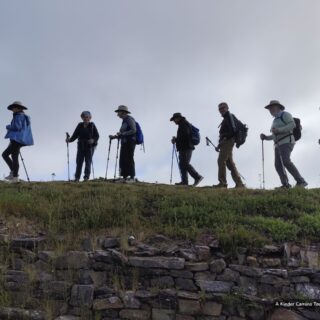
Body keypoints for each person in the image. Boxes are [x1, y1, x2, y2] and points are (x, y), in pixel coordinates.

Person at [260, 100, 307, 189]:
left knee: (285, 161)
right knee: (278, 165)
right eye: (269, 108)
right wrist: (266, 137)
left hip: (287, 142)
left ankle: (301, 181)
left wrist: (279, 130)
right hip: (278, 144)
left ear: (278, 107)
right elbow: (275, 135)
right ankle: (285, 185)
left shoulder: (285, 115)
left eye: (272, 107)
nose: (270, 110)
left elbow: (292, 125)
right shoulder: (275, 120)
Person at [212, 102, 245, 189]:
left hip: (228, 141)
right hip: (226, 142)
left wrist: (224, 140)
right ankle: (239, 184)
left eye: (223, 108)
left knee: (221, 160)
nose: (221, 110)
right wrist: (220, 145)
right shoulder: (226, 118)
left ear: (227, 108)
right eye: (220, 109)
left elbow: (232, 130)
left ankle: (222, 183)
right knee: (229, 163)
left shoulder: (229, 116)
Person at [2, 101, 34, 182]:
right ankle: (14, 175)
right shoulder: (24, 116)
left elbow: (17, 127)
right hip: (20, 140)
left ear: (18, 108)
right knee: (10, 155)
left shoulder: (18, 116)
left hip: (17, 140)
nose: (13, 109)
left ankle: (15, 176)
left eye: (14, 107)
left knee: (9, 155)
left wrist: (8, 126)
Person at [170, 112, 203, 186]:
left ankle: (197, 177)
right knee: (182, 164)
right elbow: (184, 136)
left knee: (185, 163)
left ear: (178, 118)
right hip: (184, 147)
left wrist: (176, 140)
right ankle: (184, 182)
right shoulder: (182, 124)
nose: (174, 121)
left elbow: (185, 136)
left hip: (186, 147)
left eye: (174, 119)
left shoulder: (183, 124)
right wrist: (176, 139)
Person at [66, 111, 99, 182]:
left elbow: (97, 136)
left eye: (87, 117)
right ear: (82, 118)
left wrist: (93, 140)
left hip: (90, 147)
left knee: (88, 161)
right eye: (84, 117)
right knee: (79, 161)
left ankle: (86, 177)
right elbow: (75, 135)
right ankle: (77, 178)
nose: (85, 118)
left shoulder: (92, 125)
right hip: (81, 146)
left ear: (90, 118)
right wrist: (69, 140)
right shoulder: (80, 125)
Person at [109, 105, 137, 183]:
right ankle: (124, 177)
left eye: (118, 112)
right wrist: (114, 137)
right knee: (123, 159)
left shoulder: (129, 119)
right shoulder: (124, 120)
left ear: (123, 112)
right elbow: (122, 133)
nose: (117, 114)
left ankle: (132, 178)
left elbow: (134, 130)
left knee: (129, 158)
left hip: (130, 142)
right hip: (124, 142)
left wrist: (123, 134)